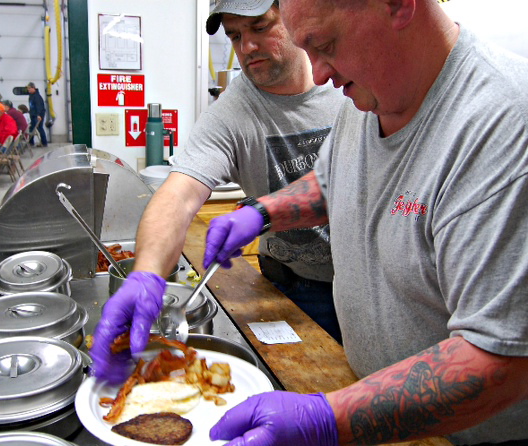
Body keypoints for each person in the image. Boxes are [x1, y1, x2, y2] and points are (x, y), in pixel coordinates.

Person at [199, 0, 528, 445]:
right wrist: (262, 214)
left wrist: (326, 419)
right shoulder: (368, 94)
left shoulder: (501, 126)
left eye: (326, 45)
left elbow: (501, 360)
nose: (317, 75)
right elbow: (334, 182)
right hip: (381, 414)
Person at [89, 0, 346, 387]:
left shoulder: (348, 85)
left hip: (366, 284)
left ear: (294, 14)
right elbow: (179, 195)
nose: (247, 47)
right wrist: (145, 276)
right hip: (293, 286)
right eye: (235, 35)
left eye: (260, 27)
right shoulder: (234, 111)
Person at [26, 82, 48, 147]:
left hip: (37, 115)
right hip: (33, 114)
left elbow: (39, 106)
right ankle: (31, 142)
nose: (28, 90)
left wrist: (38, 115)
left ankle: (44, 142)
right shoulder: (31, 96)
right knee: (32, 128)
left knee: (39, 128)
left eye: (29, 89)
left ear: (33, 88)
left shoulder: (37, 96)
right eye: (28, 89)